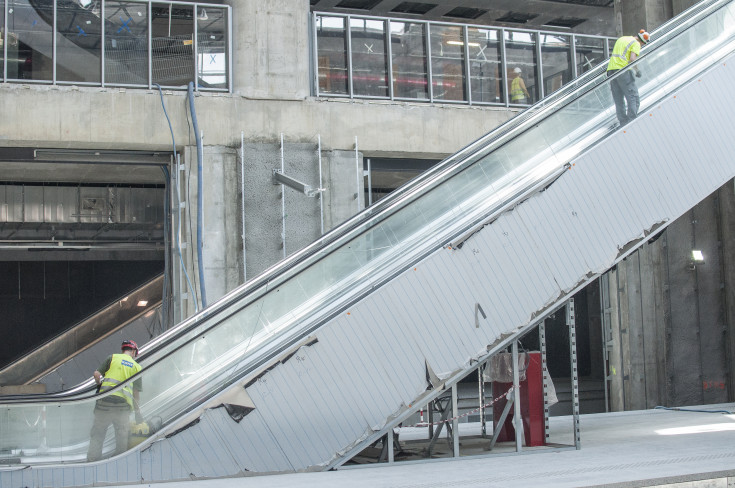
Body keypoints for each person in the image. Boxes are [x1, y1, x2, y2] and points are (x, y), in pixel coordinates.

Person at [87, 340, 143, 462]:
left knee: (97, 434)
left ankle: (92, 462)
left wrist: (99, 384)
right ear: (133, 352)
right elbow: (136, 394)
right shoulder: (136, 367)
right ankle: (118, 463)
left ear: (123, 350)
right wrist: (138, 413)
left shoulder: (112, 358)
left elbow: (96, 374)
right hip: (122, 408)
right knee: (122, 437)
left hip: (104, 404)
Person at [607, 29, 651, 125]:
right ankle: (631, 123)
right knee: (633, 98)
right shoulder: (636, 43)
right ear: (642, 41)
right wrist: (637, 70)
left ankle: (622, 122)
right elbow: (632, 59)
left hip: (611, 71)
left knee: (618, 99)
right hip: (624, 71)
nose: (641, 46)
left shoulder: (622, 39)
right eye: (643, 44)